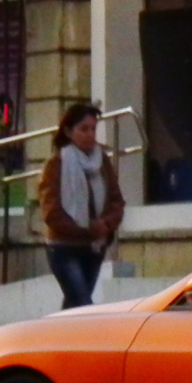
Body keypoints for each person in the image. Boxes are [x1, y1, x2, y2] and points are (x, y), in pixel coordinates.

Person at [38, 104, 125, 309]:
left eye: (93, 129)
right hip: (64, 247)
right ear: (69, 132)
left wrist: (106, 224)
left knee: (73, 305)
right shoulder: (56, 165)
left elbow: (116, 200)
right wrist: (85, 229)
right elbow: (51, 212)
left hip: (94, 247)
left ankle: (58, 340)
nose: (90, 135)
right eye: (83, 129)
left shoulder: (102, 161)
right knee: (82, 303)